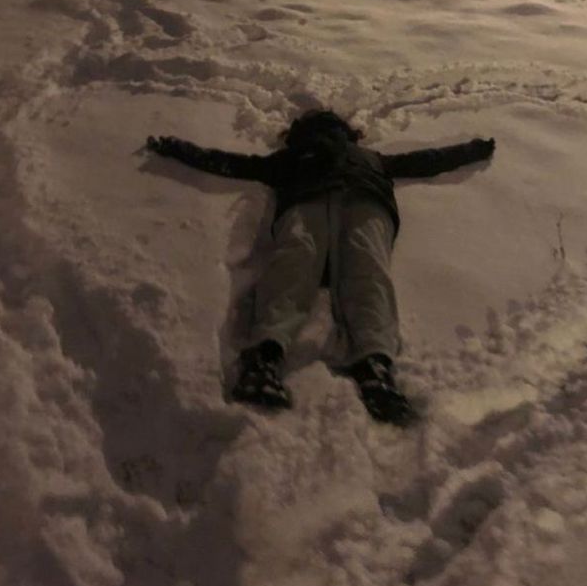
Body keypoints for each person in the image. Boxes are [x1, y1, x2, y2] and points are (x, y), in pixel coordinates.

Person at [146, 109, 495, 426]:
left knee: (297, 263)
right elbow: (426, 161)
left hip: (322, 200)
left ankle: (266, 356)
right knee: (362, 271)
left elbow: (231, 163)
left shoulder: (299, 157)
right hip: (363, 202)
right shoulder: (362, 157)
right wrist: (473, 150)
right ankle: (372, 363)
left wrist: (178, 149)